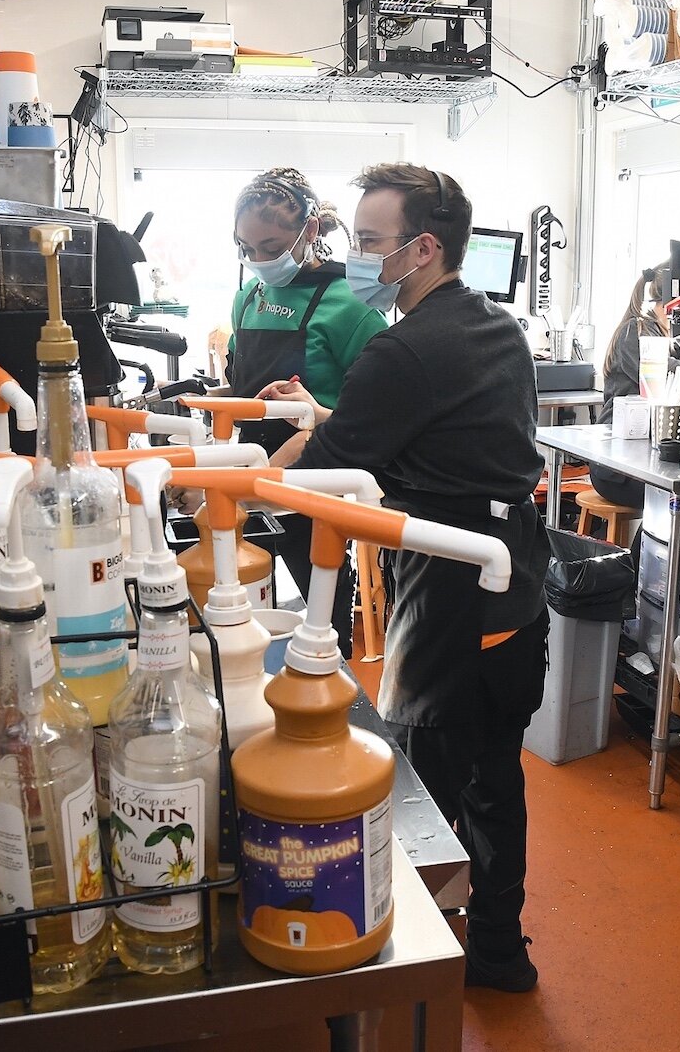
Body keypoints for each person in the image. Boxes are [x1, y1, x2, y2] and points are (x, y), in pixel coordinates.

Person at [262, 163, 550, 993]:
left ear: (423, 248)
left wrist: (239, 477)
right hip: (513, 578)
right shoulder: (491, 326)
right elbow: (437, 436)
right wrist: (327, 414)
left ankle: (407, 978)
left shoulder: (402, 348)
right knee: (495, 773)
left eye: (368, 242)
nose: (354, 256)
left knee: (421, 792)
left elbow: (320, 471)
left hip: (453, 585)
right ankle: (500, 951)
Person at [227, 167, 385, 657]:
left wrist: (319, 415)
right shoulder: (248, 297)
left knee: (321, 621)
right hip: (254, 472)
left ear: (311, 230)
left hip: (316, 479)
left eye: (271, 248)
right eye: (245, 248)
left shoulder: (350, 305)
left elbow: (382, 408)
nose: (257, 261)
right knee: (245, 613)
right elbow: (241, 386)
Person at [591, 261, 672, 509]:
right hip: (617, 470)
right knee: (678, 502)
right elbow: (664, 383)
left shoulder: (676, 336)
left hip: (650, 459)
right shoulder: (635, 332)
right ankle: (641, 550)